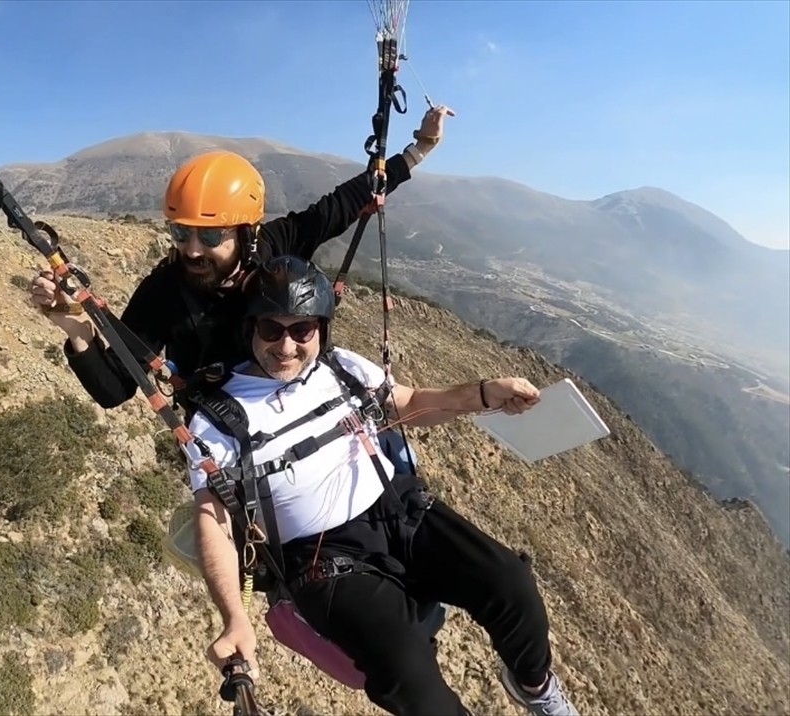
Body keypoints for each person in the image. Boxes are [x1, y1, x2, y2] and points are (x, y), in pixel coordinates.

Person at [184, 255, 579, 716]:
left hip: (398, 511)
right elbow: (214, 521)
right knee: (408, 673)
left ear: (321, 329)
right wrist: (235, 617)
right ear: (249, 329)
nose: (286, 346)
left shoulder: (343, 369)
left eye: (302, 330)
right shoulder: (217, 420)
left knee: (509, 581)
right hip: (324, 558)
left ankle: (533, 685)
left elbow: (408, 403)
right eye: (271, 329)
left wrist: (485, 394)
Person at [28, 105, 456, 418]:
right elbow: (116, 389)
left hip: (299, 402)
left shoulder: (275, 241)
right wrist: (80, 334)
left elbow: (345, 203)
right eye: (181, 233)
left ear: (246, 232)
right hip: (232, 438)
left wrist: (419, 149)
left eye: (211, 235)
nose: (192, 249)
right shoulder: (165, 292)